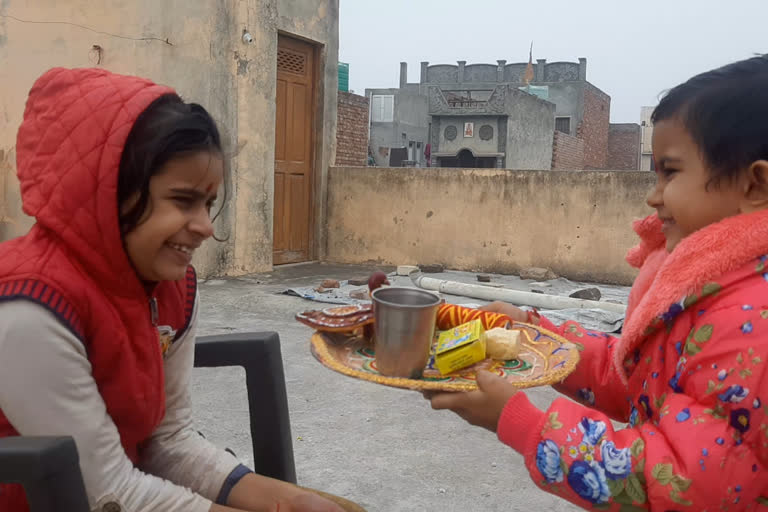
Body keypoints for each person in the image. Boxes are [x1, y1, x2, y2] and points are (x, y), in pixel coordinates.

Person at [0, 68, 363, 512]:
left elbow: (167, 440)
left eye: (208, 203)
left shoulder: (169, 288)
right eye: (183, 200)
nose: (206, 227)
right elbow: (105, 491)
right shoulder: (29, 306)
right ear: (111, 190)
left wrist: (289, 499)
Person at [428, 55, 768, 510]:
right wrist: (532, 331)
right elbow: (635, 382)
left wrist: (521, 421)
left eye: (670, 172)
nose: (653, 195)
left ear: (754, 186)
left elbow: (682, 484)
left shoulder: (749, 321)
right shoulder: (710, 290)